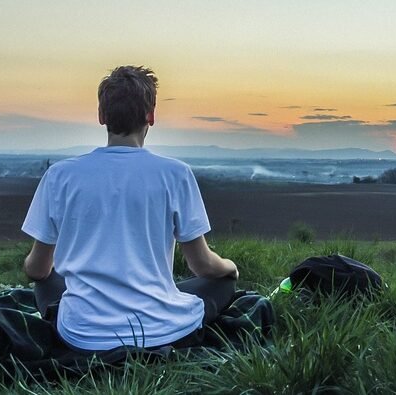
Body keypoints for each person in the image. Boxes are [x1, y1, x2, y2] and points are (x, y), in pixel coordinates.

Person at [21, 65, 239, 352]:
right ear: (151, 115)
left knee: (47, 280)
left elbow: (36, 270)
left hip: (82, 335)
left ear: (101, 116)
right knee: (222, 283)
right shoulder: (176, 174)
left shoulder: (60, 176)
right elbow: (201, 266)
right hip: (162, 331)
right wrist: (230, 268)